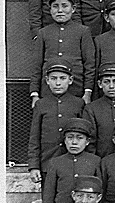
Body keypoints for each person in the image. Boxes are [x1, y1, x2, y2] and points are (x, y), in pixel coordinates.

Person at [30, 0, 95, 104]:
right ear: (50, 10)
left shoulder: (83, 31)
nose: (60, 10)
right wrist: (34, 93)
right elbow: (36, 65)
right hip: (48, 89)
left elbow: (89, 64)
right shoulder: (43, 33)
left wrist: (87, 92)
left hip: (75, 87)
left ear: (73, 9)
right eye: (55, 6)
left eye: (65, 6)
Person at [27, 58, 86, 188]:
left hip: (73, 163)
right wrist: (34, 166)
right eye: (53, 78)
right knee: (49, 200)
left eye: (62, 78)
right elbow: (34, 137)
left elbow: (85, 134)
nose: (58, 83)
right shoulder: (41, 105)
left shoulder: (78, 104)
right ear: (47, 81)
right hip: (48, 163)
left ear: (70, 80)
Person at [40, 118, 101, 203]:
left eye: (79, 138)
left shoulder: (95, 161)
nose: (74, 142)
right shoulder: (55, 163)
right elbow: (48, 197)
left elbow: (99, 193)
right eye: (70, 137)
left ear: (87, 141)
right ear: (64, 140)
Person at [83, 62, 115, 158]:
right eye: (106, 82)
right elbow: (90, 141)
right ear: (100, 84)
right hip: (101, 159)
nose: (111, 86)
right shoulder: (91, 108)